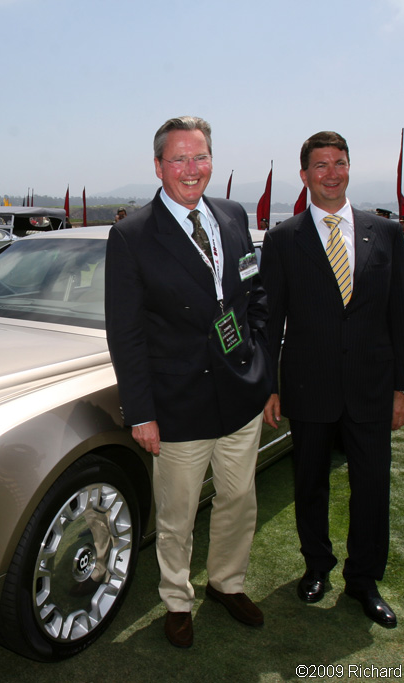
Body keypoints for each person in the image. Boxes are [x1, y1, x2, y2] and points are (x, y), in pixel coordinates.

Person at [105, 116, 273, 648]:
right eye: (178, 159)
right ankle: (178, 599)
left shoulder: (232, 214)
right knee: (176, 516)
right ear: (158, 166)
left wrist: (263, 367)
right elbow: (126, 334)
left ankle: (227, 582)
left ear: (211, 161)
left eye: (199, 157)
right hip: (178, 404)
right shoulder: (132, 234)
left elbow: (253, 295)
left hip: (240, 393)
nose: (190, 169)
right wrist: (141, 411)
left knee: (240, 498)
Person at [261, 131, 404, 629]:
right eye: (320, 165)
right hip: (309, 387)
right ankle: (316, 567)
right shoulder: (285, 239)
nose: (331, 173)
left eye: (339, 163)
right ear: (304, 176)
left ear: (350, 168)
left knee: (372, 488)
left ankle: (364, 581)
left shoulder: (385, 234)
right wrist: (270, 384)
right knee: (310, 485)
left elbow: (398, 315)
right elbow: (271, 318)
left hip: (372, 388)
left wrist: (403, 387)